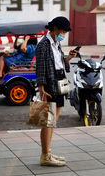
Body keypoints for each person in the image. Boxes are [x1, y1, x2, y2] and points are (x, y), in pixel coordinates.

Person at [35, 16, 77, 166]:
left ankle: (48, 152)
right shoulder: (43, 45)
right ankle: (45, 155)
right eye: (63, 31)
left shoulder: (56, 43)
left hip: (59, 82)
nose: (64, 34)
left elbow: (58, 63)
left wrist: (68, 58)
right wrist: (41, 88)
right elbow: (40, 67)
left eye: (65, 32)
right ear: (54, 29)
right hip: (50, 85)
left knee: (53, 121)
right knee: (48, 121)